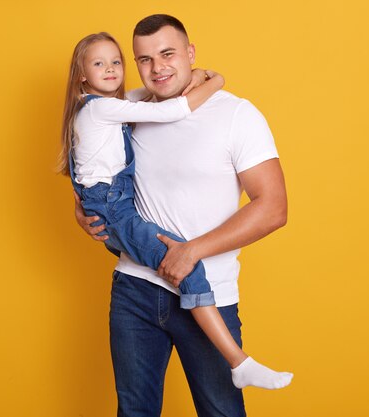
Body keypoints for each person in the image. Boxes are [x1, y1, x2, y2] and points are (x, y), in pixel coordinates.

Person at [73, 16, 292, 416]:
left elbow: (273, 208)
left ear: (190, 54)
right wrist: (81, 209)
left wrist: (192, 251)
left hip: (209, 297)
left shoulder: (237, 116)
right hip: (134, 291)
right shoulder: (130, 108)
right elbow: (92, 159)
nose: (157, 68)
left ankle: (240, 364)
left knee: (221, 411)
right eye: (144, 59)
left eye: (168, 53)